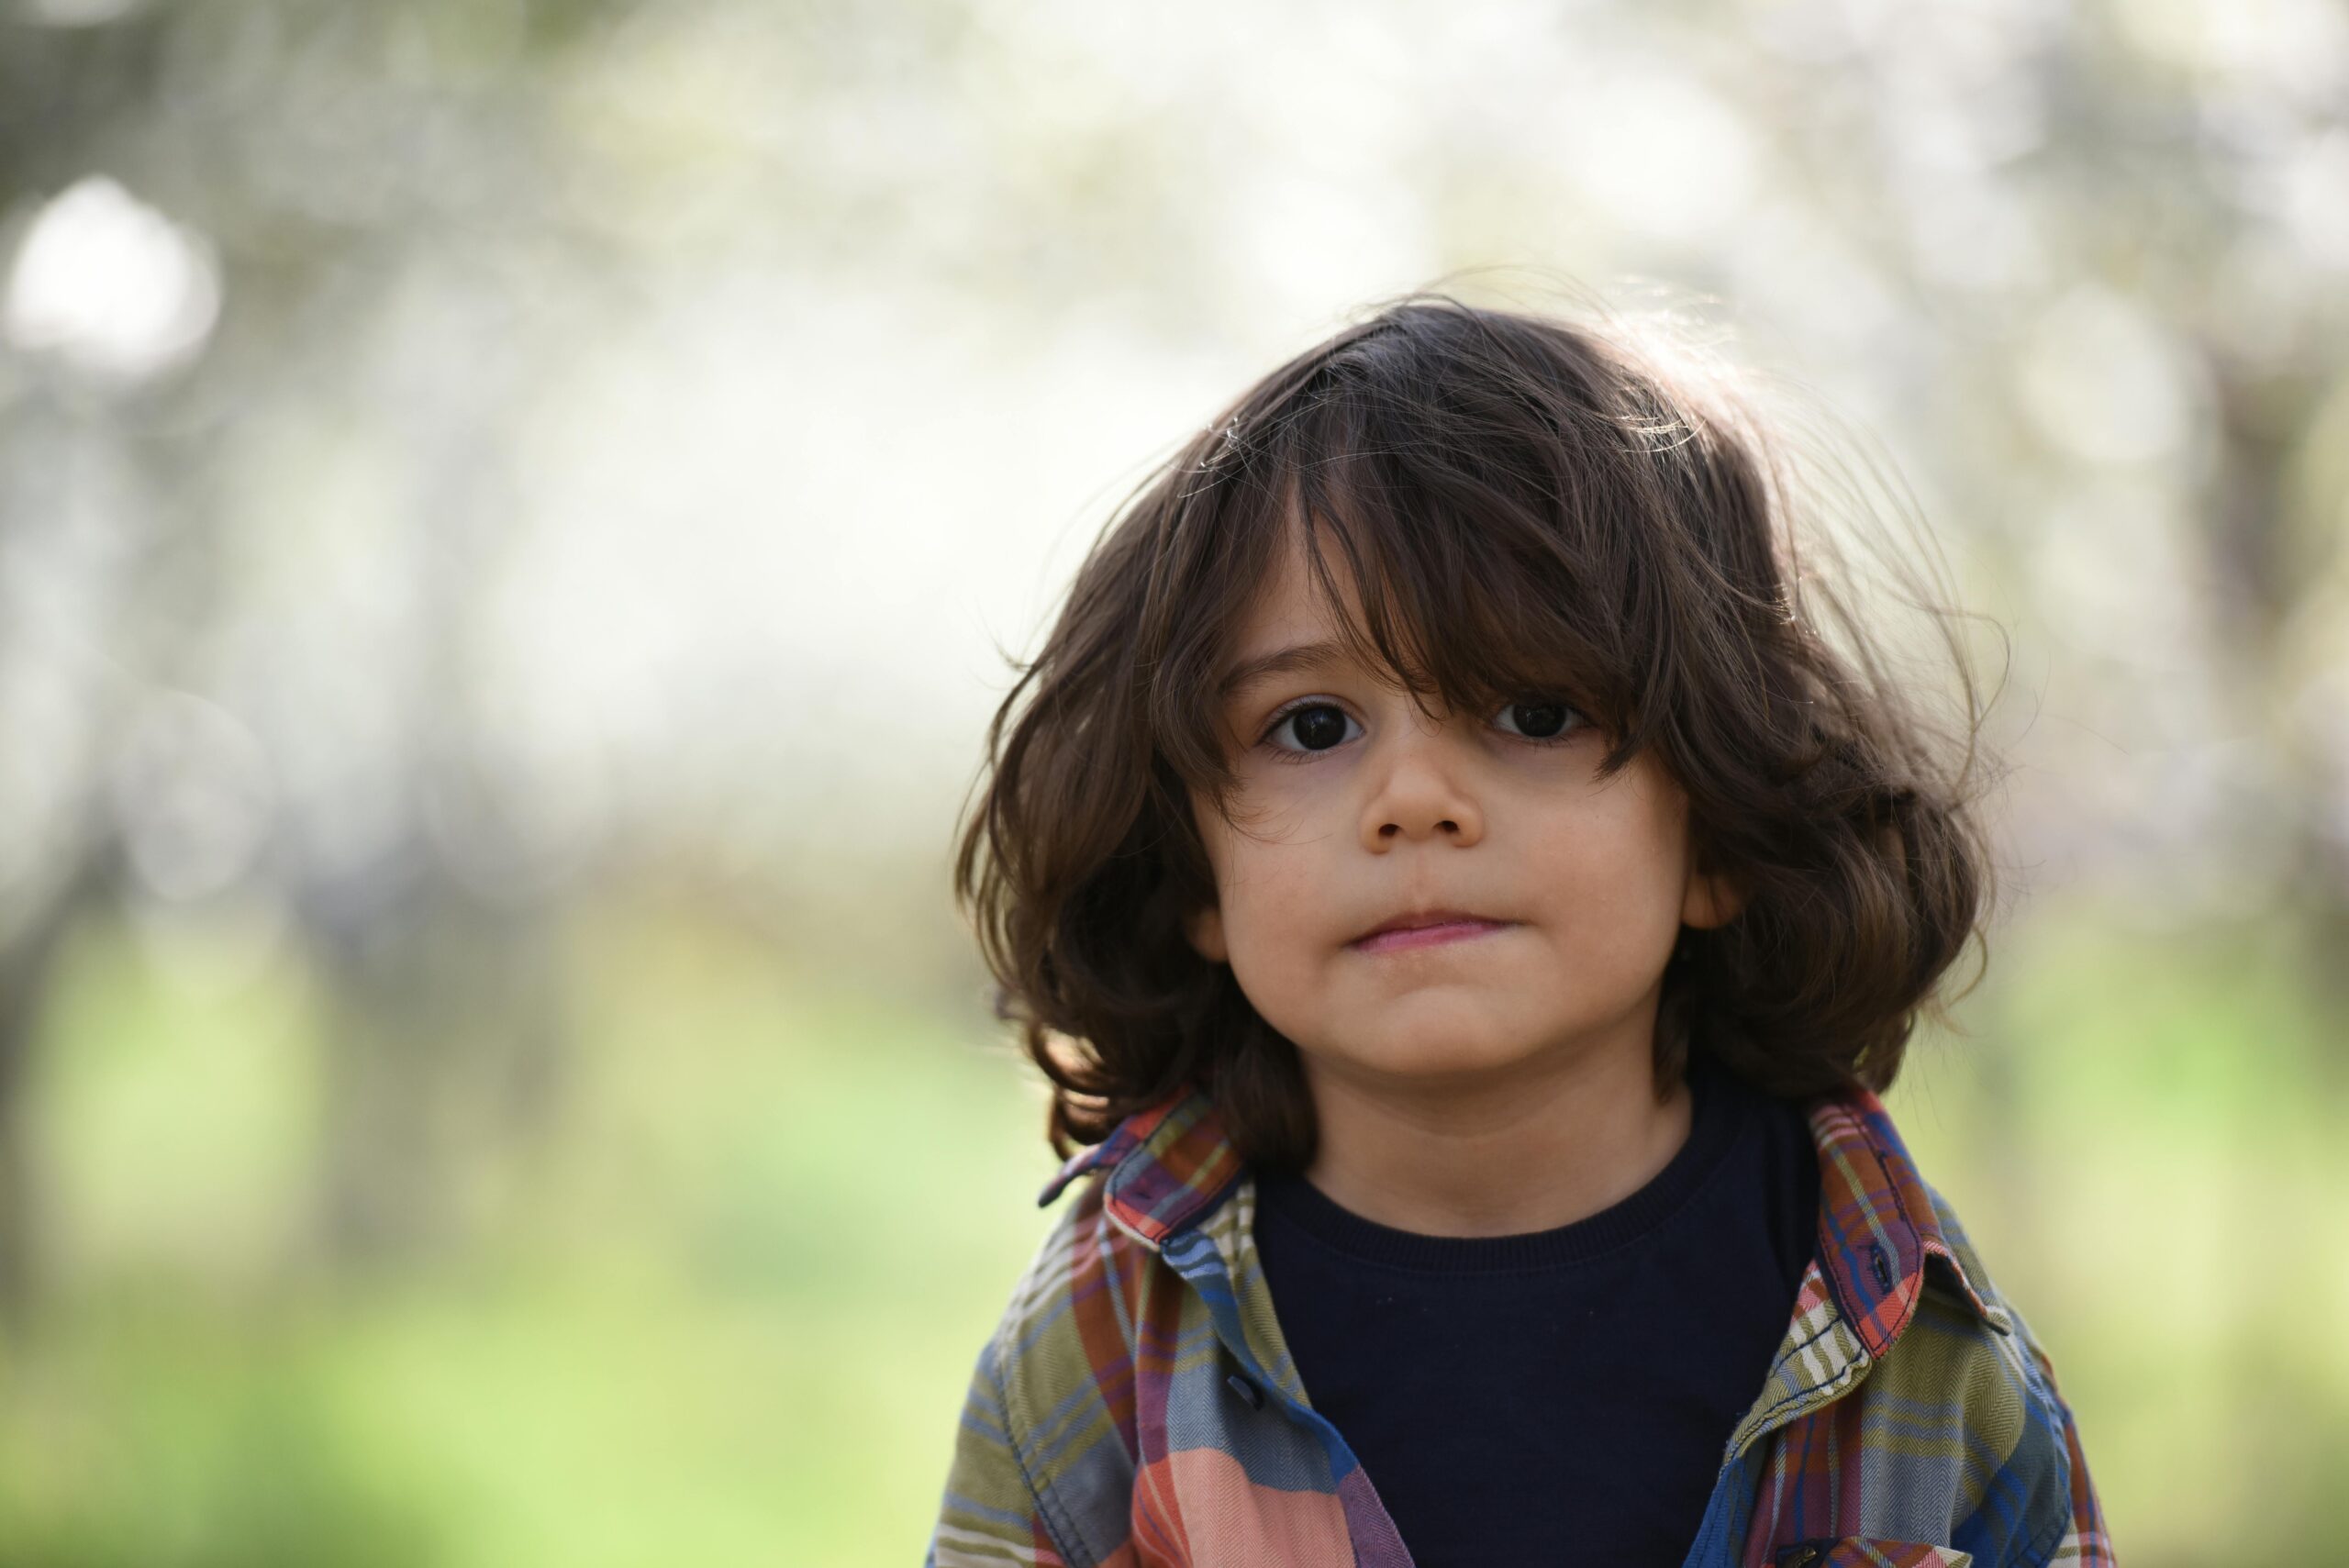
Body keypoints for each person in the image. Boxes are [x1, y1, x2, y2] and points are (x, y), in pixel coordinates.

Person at [925, 291, 2115, 1567]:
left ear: (1716, 824)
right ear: (1194, 878)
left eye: (1536, 712)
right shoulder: (1101, 1355)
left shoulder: (1920, 1336)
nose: (1416, 800)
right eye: (1312, 726)